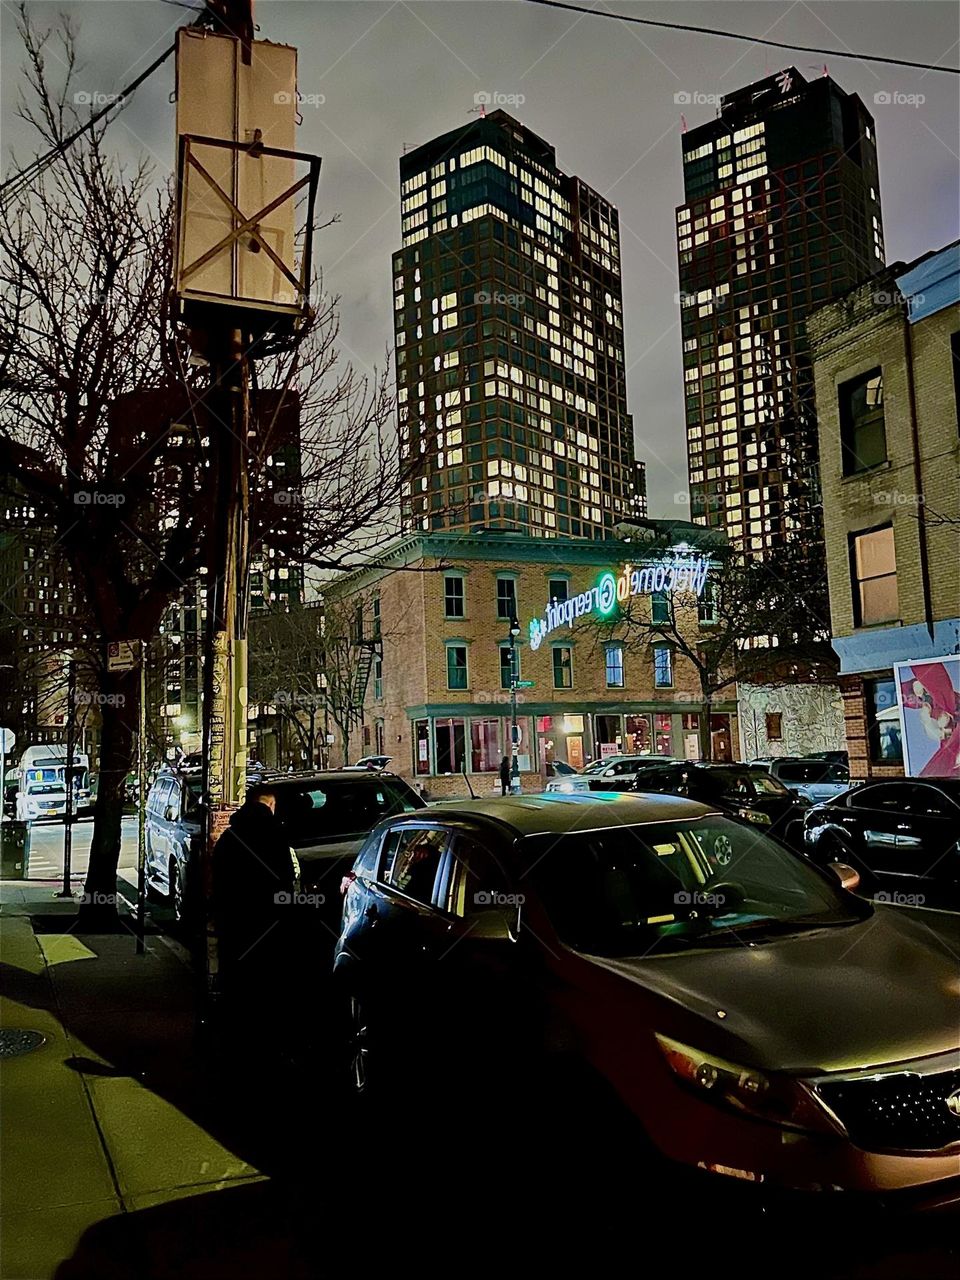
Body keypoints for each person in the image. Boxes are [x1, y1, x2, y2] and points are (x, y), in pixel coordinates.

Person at [212, 784, 297, 1022]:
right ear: (270, 804)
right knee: (267, 973)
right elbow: (286, 877)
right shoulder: (276, 836)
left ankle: (235, 1017)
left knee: (236, 971)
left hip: (234, 917)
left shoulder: (230, 837)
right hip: (268, 916)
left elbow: (219, 877)